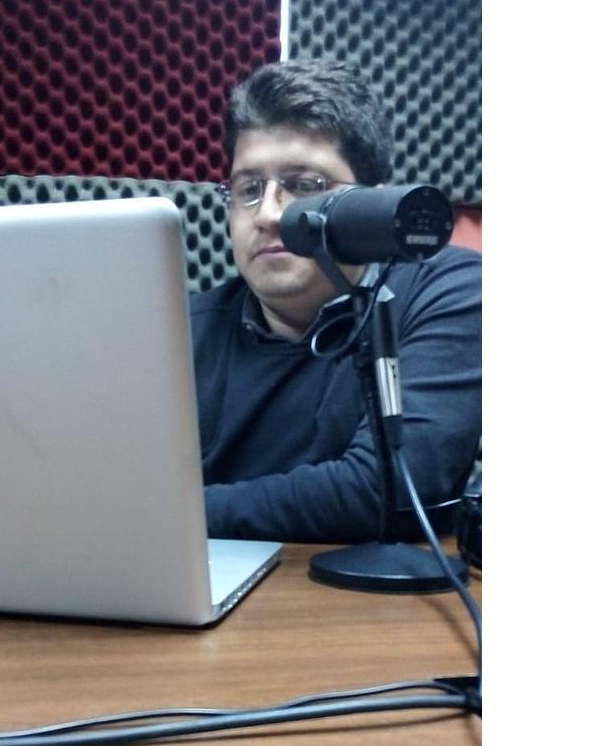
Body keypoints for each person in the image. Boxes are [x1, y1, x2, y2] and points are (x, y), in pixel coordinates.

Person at [190, 58, 482, 543]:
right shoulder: (180, 331)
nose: (268, 214)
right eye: (248, 189)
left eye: (304, 186)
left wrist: (173, 515)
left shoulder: (449, 293)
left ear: (370, 203)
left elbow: (386, 490)